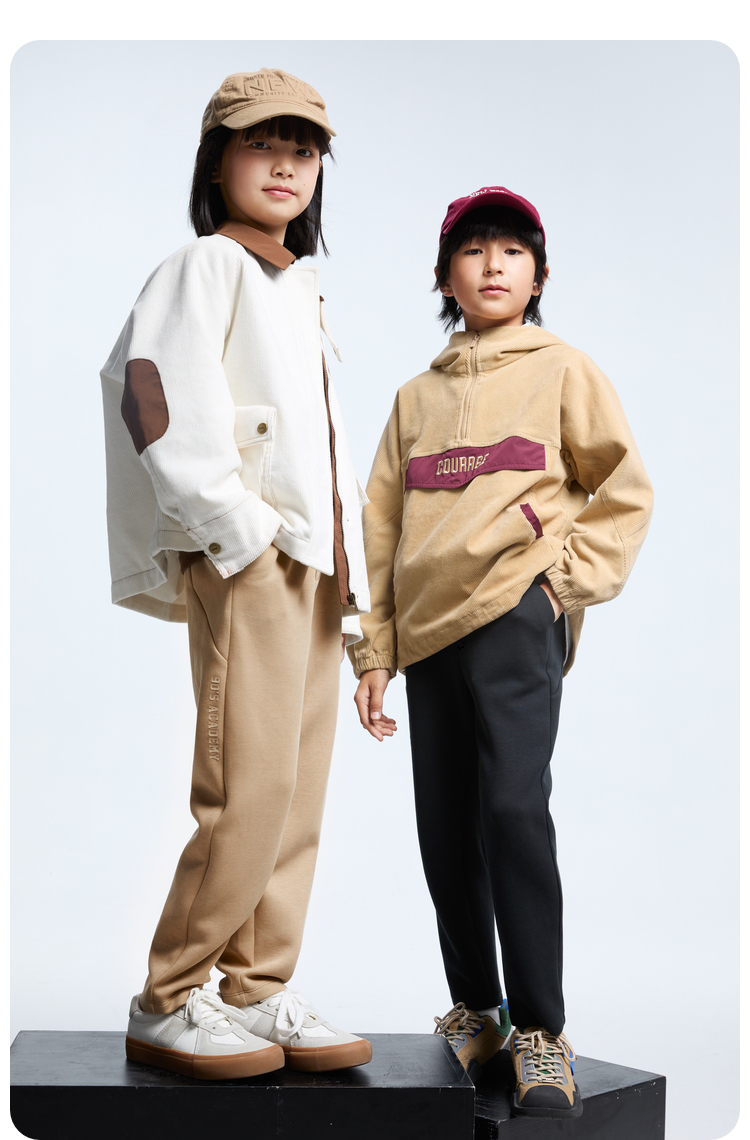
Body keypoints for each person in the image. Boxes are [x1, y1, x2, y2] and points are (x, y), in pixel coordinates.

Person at [350, 187, 653, 1118]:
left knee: (514, 809)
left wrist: (560, 582)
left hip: (516, 613)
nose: (492, 265)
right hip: (428, 631)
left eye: (512, 251)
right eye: (474, 250)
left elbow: (625, 488)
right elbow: (381, 526)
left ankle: (542, 1033)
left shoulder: (564, 370)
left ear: (539, 275)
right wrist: (375, 651)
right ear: (445, 277)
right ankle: (477, 1012)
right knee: (446, 826)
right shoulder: (416, 397)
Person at [100, 68, 372, 1080]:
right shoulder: (204, 266)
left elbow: (325, 455)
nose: (287, 166)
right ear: (218, 161)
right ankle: (168, 997)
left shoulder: (297, 287)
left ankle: (256, 989)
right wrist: (238, 534)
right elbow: (151, 397)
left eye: (304, 151)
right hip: (256, 559)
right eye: (264, 145)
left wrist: (354, 599)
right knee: (247, 789)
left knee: (295, 797)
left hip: (313, 570)